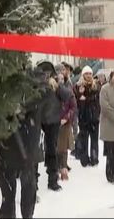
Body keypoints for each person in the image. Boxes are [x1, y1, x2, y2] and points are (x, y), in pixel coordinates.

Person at [0, 65, 45, 219]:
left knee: (28, 179)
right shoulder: (1, 75)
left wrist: (20, 107)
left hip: (27, 138)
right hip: (6, 136)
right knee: (6, 176)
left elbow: (41, 93)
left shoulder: (33, 75)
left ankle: (27, 214)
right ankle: (7, 212)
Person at [38, 61, 70, 192]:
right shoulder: (36, 83)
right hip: (38, 120)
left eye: (48, 72)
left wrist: (57, 85)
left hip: (53, 121)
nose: (46, 75)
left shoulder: (55, 83)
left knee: (52, 149)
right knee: (36, 152)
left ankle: (53, 179)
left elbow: (67, 96)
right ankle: (33, 181)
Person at [74, 66, 101, 167]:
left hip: (94, 117)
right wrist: (80, 95)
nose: (89, 75)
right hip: (83, 116)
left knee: (94, 140)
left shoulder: (96, 85)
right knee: (83, 139)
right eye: (86, 74)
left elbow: (97, 100)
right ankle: (84, 159)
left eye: (90, 73)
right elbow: (77, 100)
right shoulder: (78, 86)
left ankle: (94, 159)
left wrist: (86, 99)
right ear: (83, 75)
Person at [56, 72, 77, 182]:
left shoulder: (69, 92)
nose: (59, 80)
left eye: (61, 78)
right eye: (57, 78)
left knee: (63, 147)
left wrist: (66, 117)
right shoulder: (52, 91)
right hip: (53, 123)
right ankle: (56, 167)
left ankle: (63, 168)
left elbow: (73, 107)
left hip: (65, 123)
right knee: (55, 147)